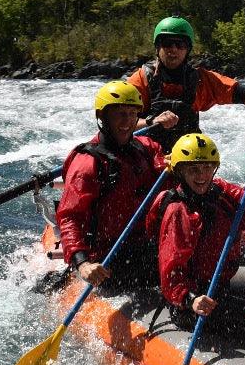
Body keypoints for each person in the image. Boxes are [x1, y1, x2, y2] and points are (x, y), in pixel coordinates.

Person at [145, 133, 245, 343]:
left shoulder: (221, 191)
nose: (202, 175)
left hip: (218, 287)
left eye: (207, 167)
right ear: (180, 172)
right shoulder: (177, 211)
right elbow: (171, 272)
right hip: (191, 303)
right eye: (194, 169)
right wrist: (190, 299)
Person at [127, 16, 245, 153]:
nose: (173, 49)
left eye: (180, 44)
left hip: (186, 159)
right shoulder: (140, 80)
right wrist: (152, 121)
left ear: (187, 49)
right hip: (147, 156)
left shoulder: (201, 80)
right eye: (167, 43)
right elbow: (119, 124)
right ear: (157, 47)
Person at [55, 80, 167, 293]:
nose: (127, 122)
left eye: (132, 114)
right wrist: (82, 262)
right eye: (119, 114)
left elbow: (166, 168)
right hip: (108, 257)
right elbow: (69, 217)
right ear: (102, 117)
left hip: (144, 246)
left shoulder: (145, 148)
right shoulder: (88, 164)